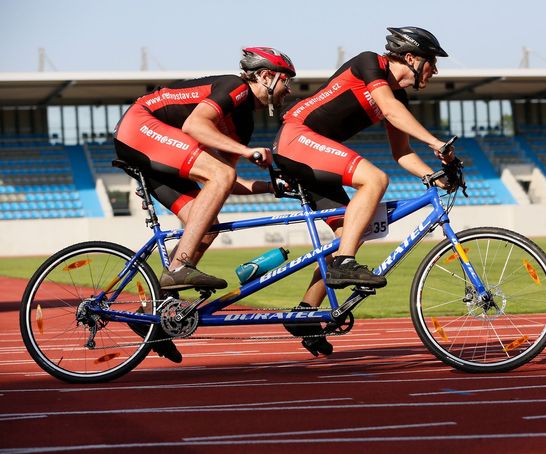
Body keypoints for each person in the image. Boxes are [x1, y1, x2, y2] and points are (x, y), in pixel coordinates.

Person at [275, 27, 454, 356]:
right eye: (432, 61)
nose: (435, 69)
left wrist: (439, 177)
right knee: (374, 179)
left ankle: (304, 313)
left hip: (311, 151)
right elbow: (387, 109)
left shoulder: (398, 96)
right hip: (297, 138)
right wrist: (436, 143)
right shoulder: (370, 63)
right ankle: (345, 263)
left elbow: (402, 152)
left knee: (347, 232)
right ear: (411, 58)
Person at [113, 47, 296, 362]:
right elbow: (194, 128)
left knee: (206, 227)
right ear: (266, 76)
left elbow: (227, 184)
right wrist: (246, 151)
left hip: (158, 152)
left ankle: (150, 318)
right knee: (219, 174)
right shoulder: (234, 87)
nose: (289, 90)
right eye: (286, 81)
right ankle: (181, 265)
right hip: (140, 127)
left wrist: (271, 186)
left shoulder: (244, 124)